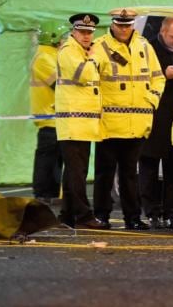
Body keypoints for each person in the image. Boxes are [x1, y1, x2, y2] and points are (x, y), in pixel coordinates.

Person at [91, 8, 165, 230]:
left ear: (133, 25)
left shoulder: (144, 46)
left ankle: (132, 217)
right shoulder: (100, 46)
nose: (124, 29)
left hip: (136, 123)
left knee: (130, 174)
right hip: (110, 123)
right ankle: (101, 215)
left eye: (128, 25)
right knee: (104, 173)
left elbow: (158, 78)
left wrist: (151, 100)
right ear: (112, 24)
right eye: (120, 25)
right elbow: (91, 80)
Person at [54, 13, 109, 230]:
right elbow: (84, 75)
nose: (87, 37)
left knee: (75, 171)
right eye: (83, 32)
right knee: (77, 171)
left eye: (89, 33)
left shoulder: (80, 50)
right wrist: (94, 57)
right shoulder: (69, 51)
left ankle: (67, 215)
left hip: (82, 122)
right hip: (73, 121)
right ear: (73, 32)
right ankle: (84, 215)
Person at [139, 17, 173, 229]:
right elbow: (141, 79)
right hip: (153, 117)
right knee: (149, 168)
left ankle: (171, 212)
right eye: (172, 37)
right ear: (162, 31)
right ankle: (151, 212)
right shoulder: (148, 49)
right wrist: (163, 75)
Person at [30, 20, 68, 205]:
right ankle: (43, 194)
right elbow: (61, 85)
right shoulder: (44, 58)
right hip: (49, 118)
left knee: (55, 160)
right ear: (53, 38)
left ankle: (51, 194)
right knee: (47, 160)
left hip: (57, 118)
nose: (66, 39)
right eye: (63, 37)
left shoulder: (53, 55)